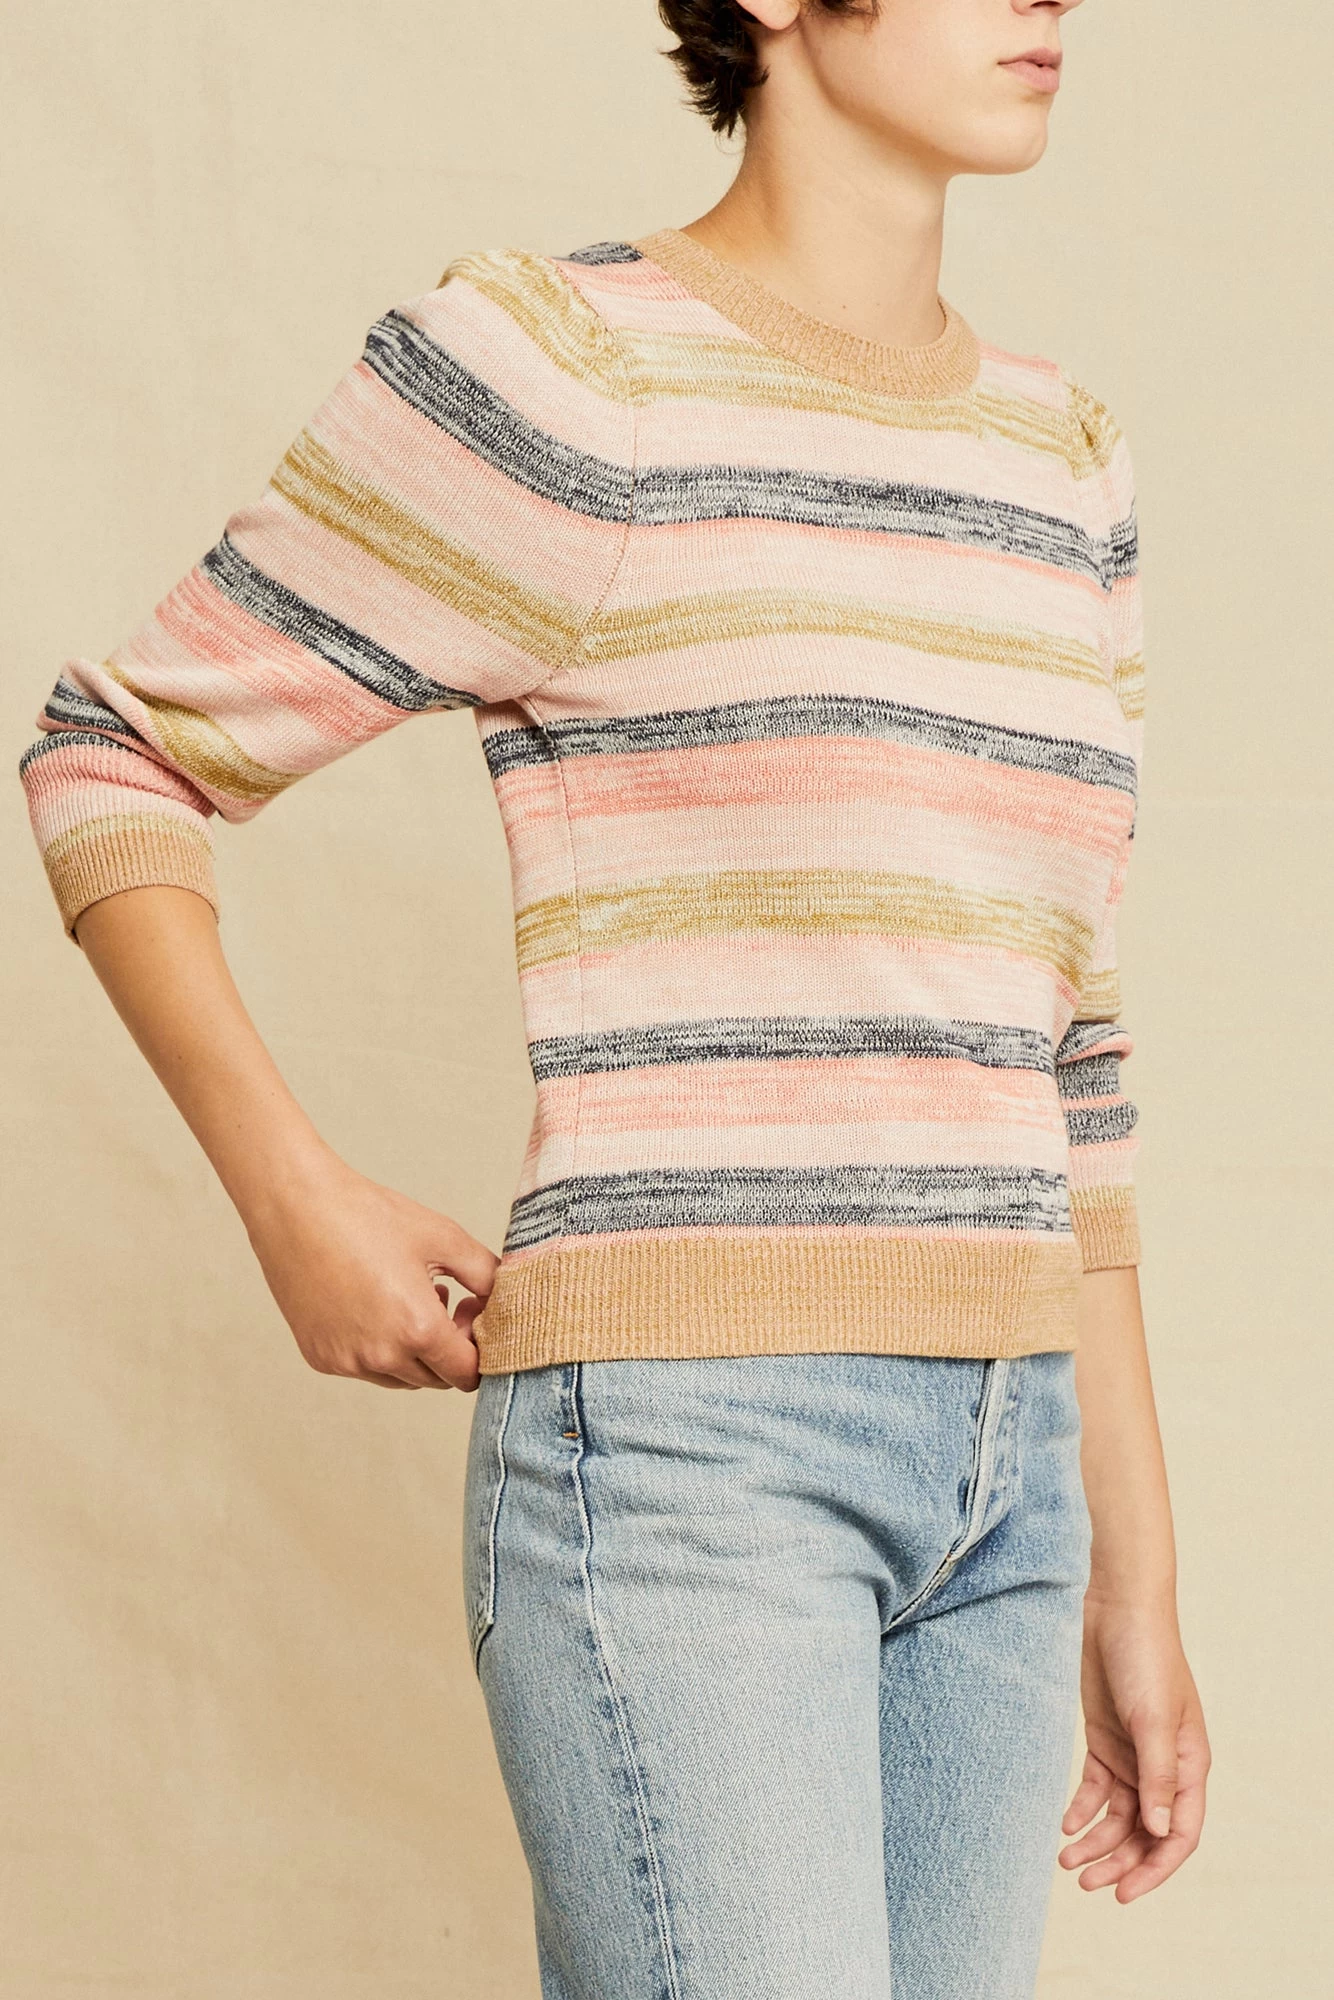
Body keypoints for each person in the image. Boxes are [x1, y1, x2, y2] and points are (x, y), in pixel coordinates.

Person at [20, 1, 1210, 1993]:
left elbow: (1064, 1041)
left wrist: (1130, 1574)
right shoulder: (566, 371)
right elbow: (112, 752)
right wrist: (293, 1199)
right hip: (691, 1466)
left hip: (1008, 1488)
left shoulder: (1060, 459)